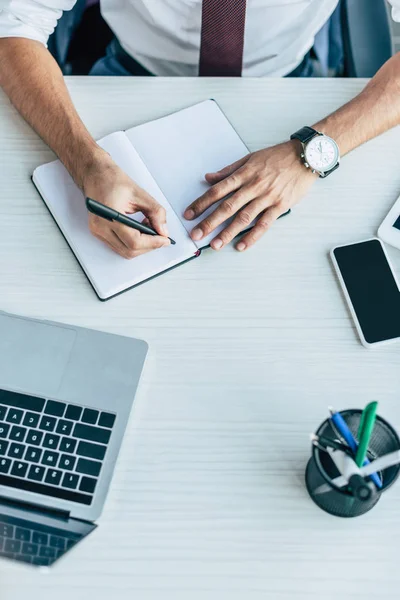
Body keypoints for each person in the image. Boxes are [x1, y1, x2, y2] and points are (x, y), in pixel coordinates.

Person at [1, 1, 400, 259]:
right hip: (135, 70)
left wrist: (313, 150)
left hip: (282, 78)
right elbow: (11, 26)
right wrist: (85, 162)